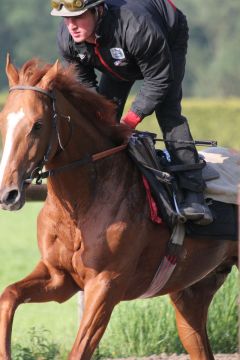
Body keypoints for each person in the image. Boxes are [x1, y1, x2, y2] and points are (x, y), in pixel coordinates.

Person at [50, 0, 212, 224]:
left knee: (168, 113)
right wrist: (101, 116)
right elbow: (85, 85)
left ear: (98, 10)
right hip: (119, 51)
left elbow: (159, 81)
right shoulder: (68, 39)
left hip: (165, 33)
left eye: (78, 17)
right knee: (101, 117)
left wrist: (129, 121)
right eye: (66, 19)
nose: (71, 25)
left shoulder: (136, 28)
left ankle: (194, 193)